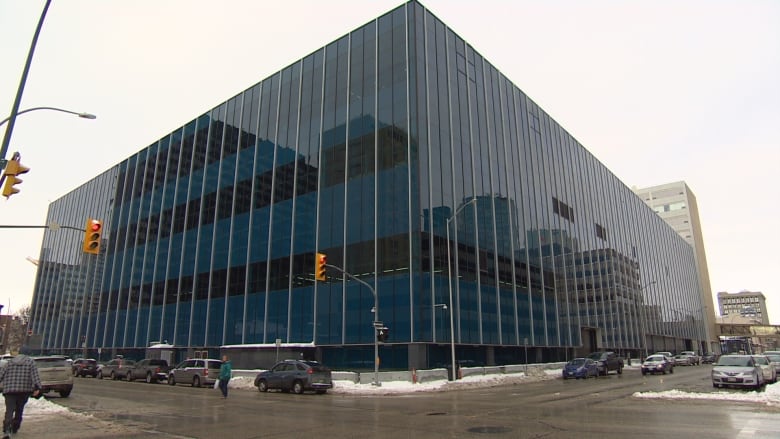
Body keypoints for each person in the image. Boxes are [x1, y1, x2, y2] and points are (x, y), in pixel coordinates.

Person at [0, 355, 42, 438]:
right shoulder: (30, 363)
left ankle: (7, 429)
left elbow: (1, 374)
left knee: (9, 410)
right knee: (19, 409)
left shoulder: (9, 363)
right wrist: (37, 387)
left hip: (9, 390)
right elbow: (35, 376)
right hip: (24, 391)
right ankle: (15, 426)